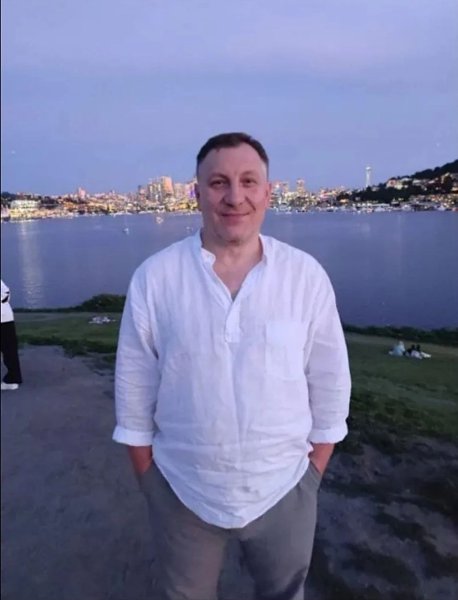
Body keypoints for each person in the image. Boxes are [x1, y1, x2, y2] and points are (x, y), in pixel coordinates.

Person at [113, 132, 351, 600]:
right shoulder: (156, 279)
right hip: (182, 489)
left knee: (284, 592)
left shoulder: (305, 276)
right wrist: (151, 480)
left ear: (268, 191)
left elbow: (330, 380)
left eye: (248, 181)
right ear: (197, 192)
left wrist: (312, 474)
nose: (234, 196)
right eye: (219, 182)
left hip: (285, 487)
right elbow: (134, 388)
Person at [1, 279, 23, 391]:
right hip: (5, 317)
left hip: (4, 318)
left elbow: (5, 294)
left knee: (9, 350)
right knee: (9, 349)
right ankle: (13, 378)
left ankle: (13, 379)